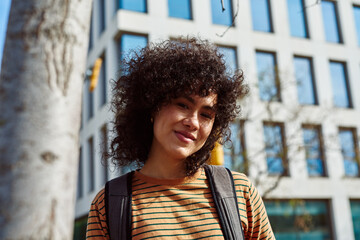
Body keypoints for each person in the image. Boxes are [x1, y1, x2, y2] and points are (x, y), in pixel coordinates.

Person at [86, 37, 275, 239]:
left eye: (206, 115)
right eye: (182, 105)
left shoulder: (239, 192)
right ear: (152, 106)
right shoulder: (109, 203)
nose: (193, 122)